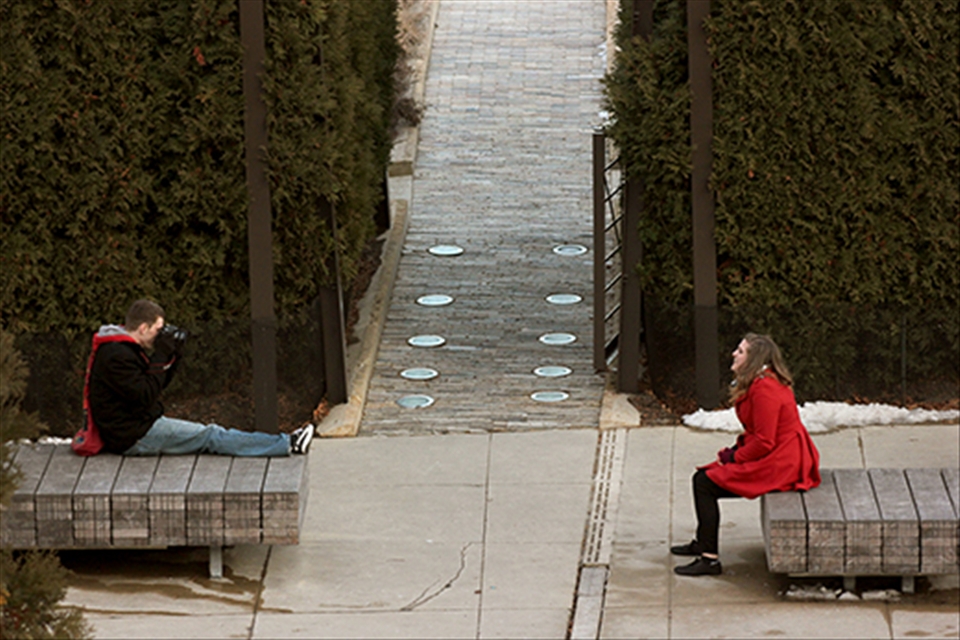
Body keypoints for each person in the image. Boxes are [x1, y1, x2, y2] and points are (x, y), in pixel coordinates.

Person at [671, 333, 820, 576]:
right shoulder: (762, 382)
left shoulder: (765, 389)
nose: (734, 354)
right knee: (705, 477)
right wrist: (735, 452)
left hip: (782, 462)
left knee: (704, 483)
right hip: (781, 454)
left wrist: (734, 458)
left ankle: (709, 559)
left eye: (740, 351)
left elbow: (764, 441)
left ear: (754, 359)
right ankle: (703, 543)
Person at [88, 299, 314, 457]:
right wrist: (162, 355)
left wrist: (173, 357)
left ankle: (283, 442)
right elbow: (146, 394)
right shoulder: (116, 356)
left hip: (136, 426)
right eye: (159, 330)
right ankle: (288, 444)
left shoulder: (120, 347)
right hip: (132, 436)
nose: (161, 335)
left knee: (210, 435)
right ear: (144, 328)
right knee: (211, 436)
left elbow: (156, 385)